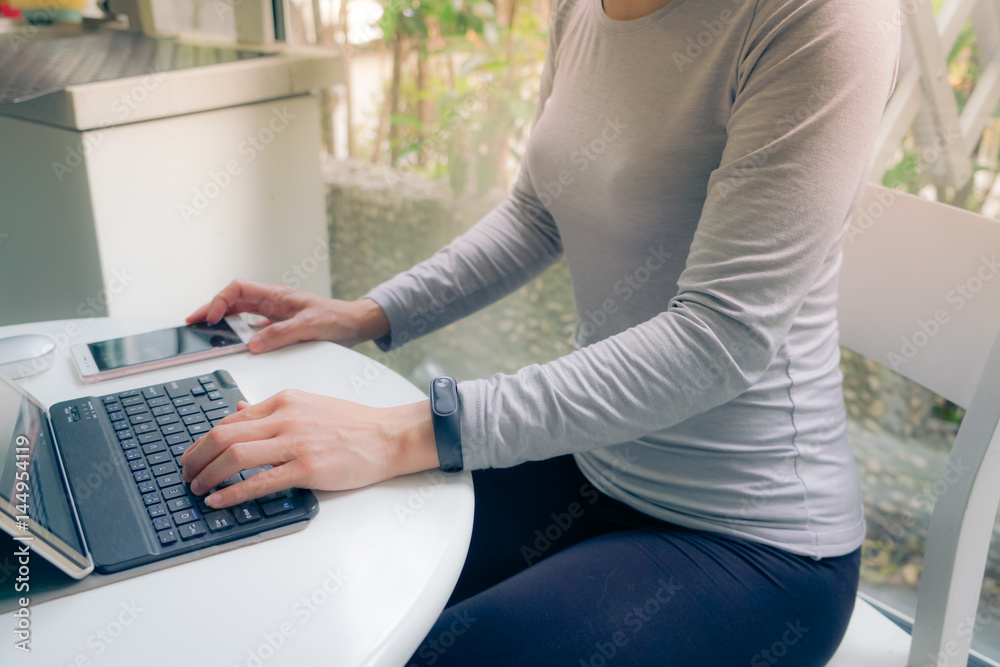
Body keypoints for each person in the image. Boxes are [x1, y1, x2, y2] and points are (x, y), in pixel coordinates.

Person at [179, 0, 901, 663]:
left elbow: (722, 335)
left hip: (752, 541)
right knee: (325, 580)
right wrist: (367, 312)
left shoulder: (824, 17)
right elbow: (536, 214)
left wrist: (397, 434)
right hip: (591, 465)